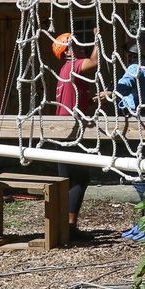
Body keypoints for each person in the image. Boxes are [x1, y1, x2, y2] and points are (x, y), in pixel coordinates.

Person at [97, 36, 145, 240]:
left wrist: (111, 92)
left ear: (129, 55)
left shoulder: (133, 68)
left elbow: (127, 83)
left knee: (138, 174)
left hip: (136, 125)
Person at [52, 29, 99, 241]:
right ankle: (68, 225)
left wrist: (97, 99)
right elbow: (94, 62)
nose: (80, 46)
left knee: (71, 179)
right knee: (79, 179)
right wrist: (98, 40)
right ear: (68, 51)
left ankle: (66, 224)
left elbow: (80, 101)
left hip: (64, 131)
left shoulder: (65, 70)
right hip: (70, 133)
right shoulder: (72, 66)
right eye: (77, 44)